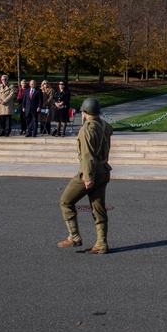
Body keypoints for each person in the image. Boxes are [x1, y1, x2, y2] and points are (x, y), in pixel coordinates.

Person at [58, 97, 113, 253]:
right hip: (103, 170)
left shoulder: (87, 129)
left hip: (91, 172)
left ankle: (74, 237)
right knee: (98, 208)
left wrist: (88, 178)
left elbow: (87, 155)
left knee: (65, 201)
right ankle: (101, 243)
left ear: (86, 112)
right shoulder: (104, 125)